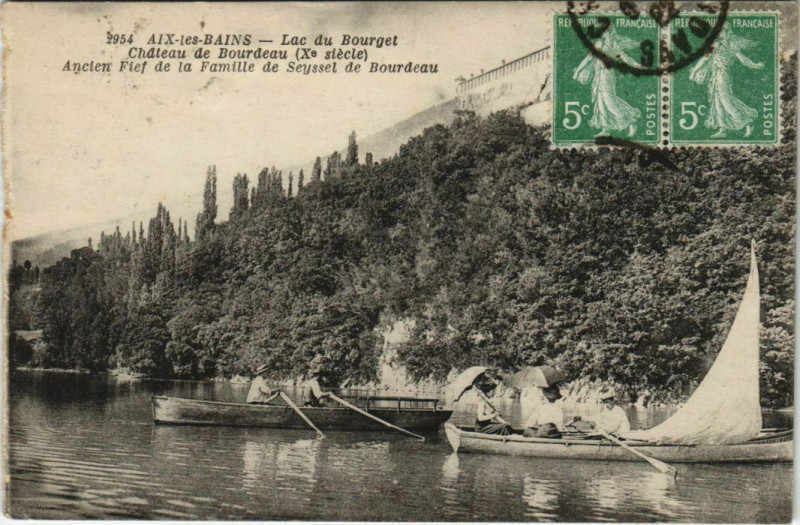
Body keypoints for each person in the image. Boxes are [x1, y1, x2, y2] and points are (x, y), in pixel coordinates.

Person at [689, 23, 763, 138]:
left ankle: (748, 122)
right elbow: (705, 58)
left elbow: (743, 60)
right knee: (717, 100)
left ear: (727, 32)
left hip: (724, 74)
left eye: (722, 31)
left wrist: (756, 65)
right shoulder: (715, 44)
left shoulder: (732, 44)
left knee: (726, 100)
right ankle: (722, 129)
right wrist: (694, 71)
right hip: (715, 74)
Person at [572, 24, 641, 137]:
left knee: (609, 100)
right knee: (600, 101)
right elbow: (588, 58)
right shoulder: (599, 44)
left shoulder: (614, 44)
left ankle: (631, 122)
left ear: (608, 31)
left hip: (607, 73)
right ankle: (605, 130)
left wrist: (637, 65)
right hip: (597, 74)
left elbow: (625, 58)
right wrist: (577, 71)